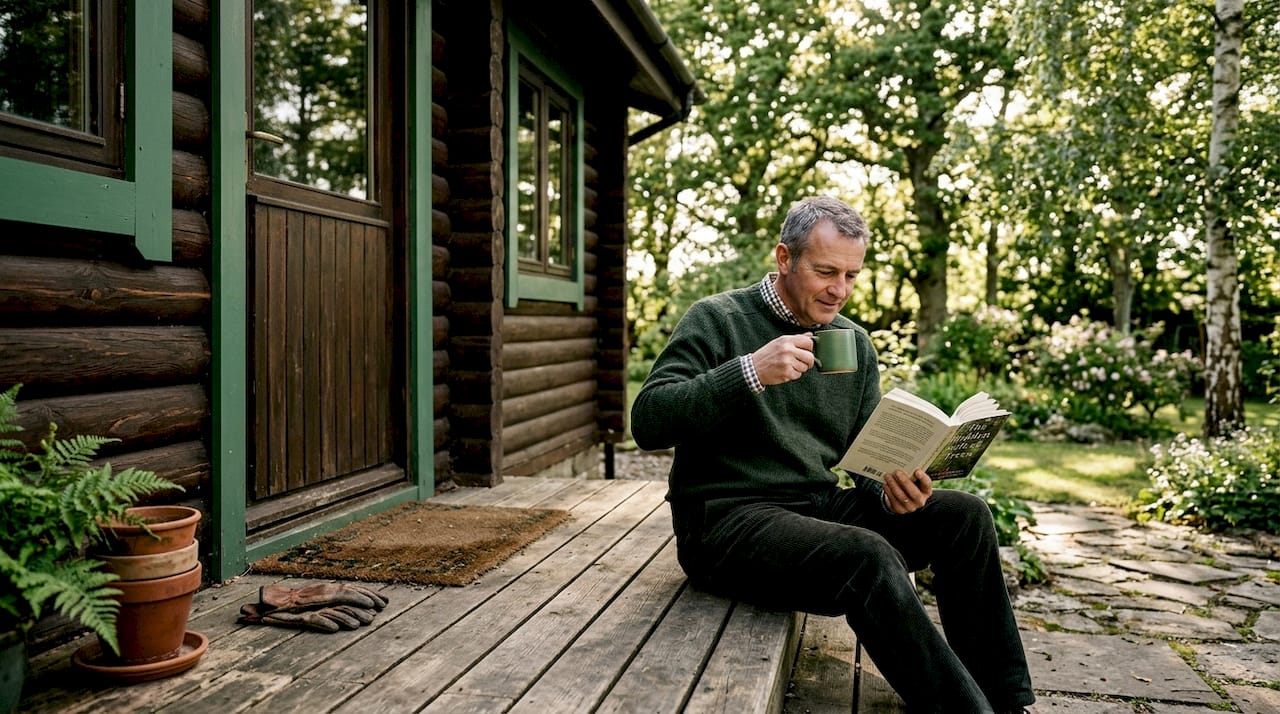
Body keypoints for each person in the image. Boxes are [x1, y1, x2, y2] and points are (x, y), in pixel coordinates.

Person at [630, 195, 1035, 713]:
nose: (839, 290)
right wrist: (748, 372)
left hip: (814, 507)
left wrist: (892, 494)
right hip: (724, 523)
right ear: (784, 258)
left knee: (965, 516)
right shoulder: (718, 320)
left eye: (850, 275)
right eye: (825, 272)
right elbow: (648, 421)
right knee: (867, 556)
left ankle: (1007, 701)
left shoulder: (852, 343)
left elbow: (864, 458)